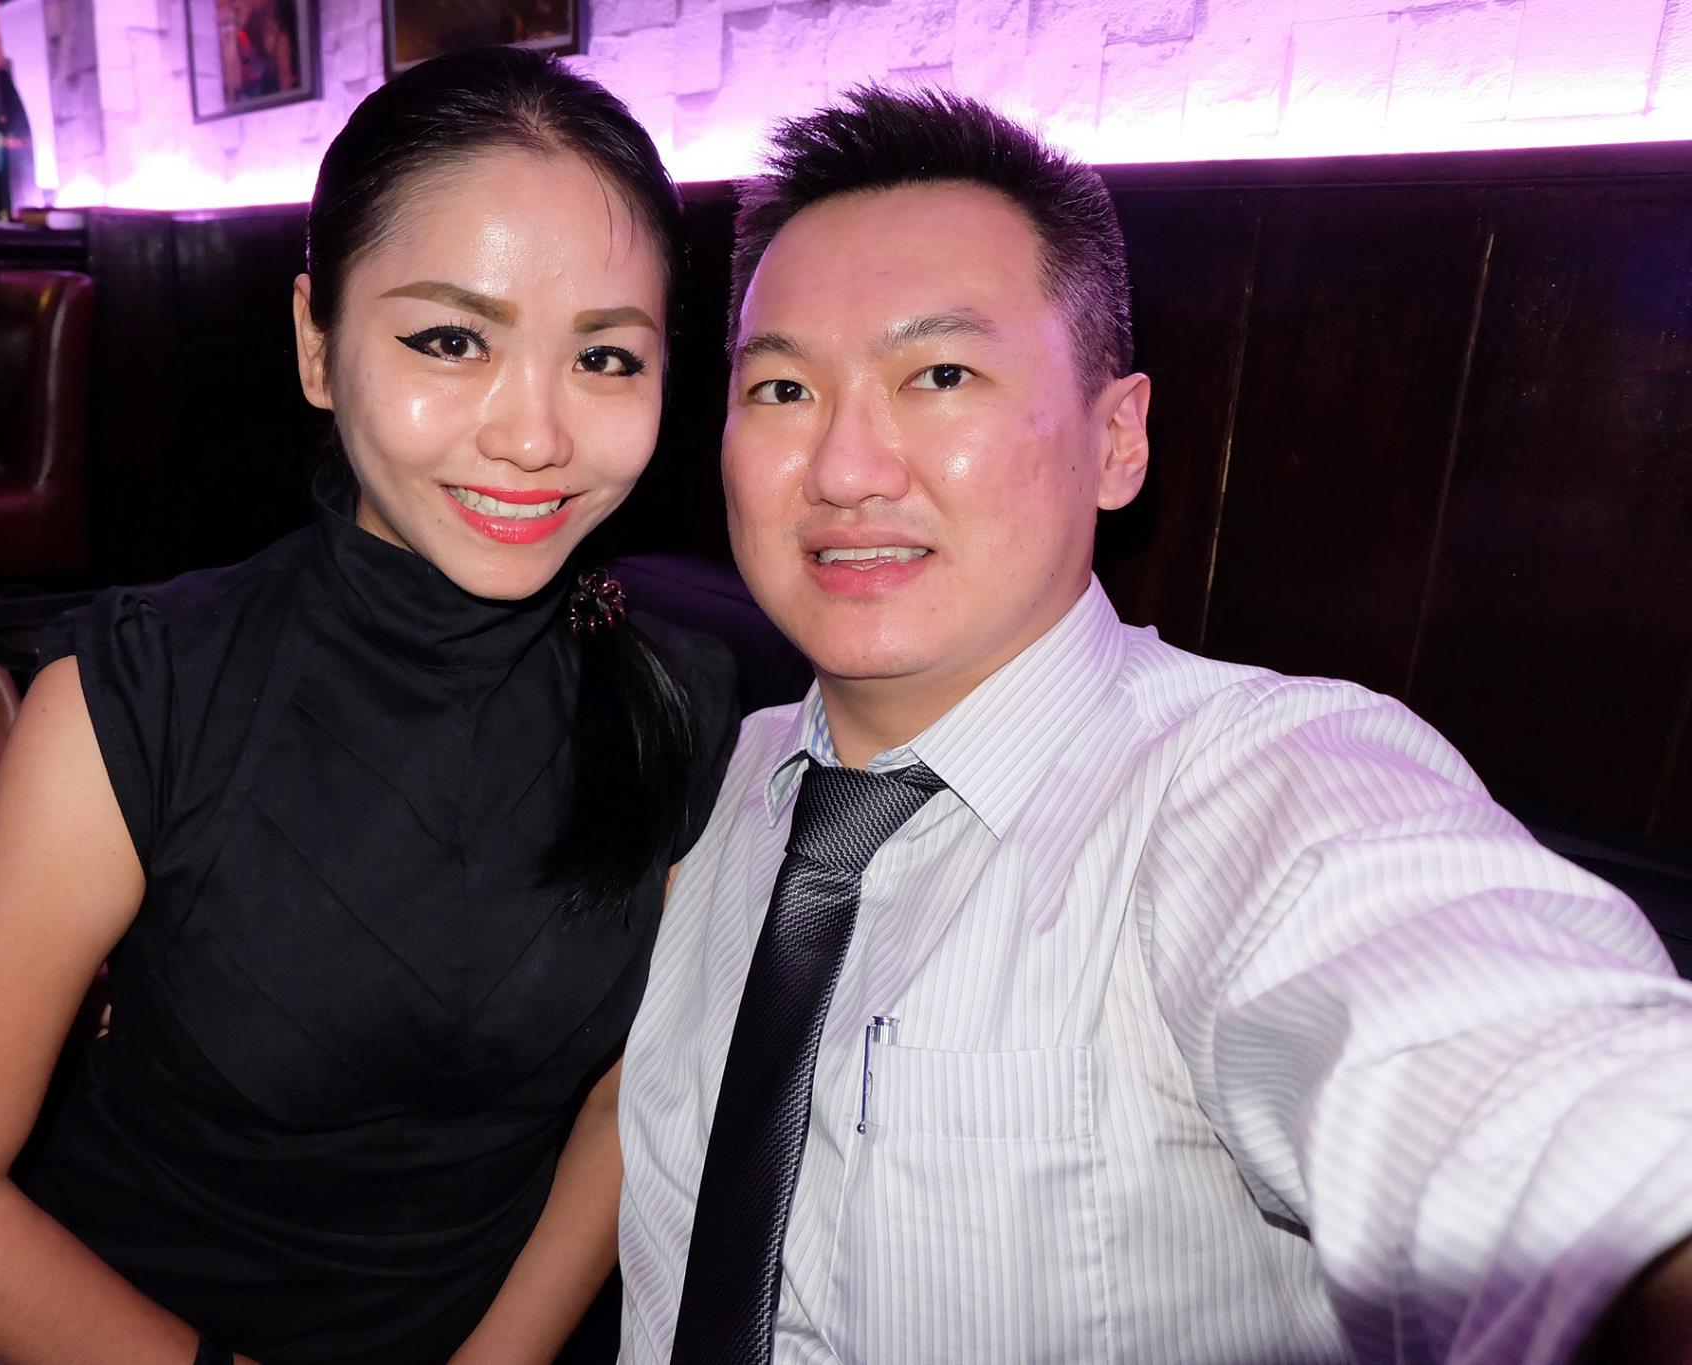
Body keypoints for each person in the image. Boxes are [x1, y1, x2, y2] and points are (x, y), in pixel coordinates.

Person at [617, 87, 1692, 1365]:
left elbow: (1523, 1086)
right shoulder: (728, 781)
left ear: (1116, 438)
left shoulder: (1254, 785)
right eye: (783, 387)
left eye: (940, 375)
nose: (844, 469)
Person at [0, 47, 736, 1365]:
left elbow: (624, 1103)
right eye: (450, 340)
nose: (533, 434)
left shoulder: (673, 698)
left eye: (604, 356)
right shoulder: (148, 689)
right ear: (317, 343)